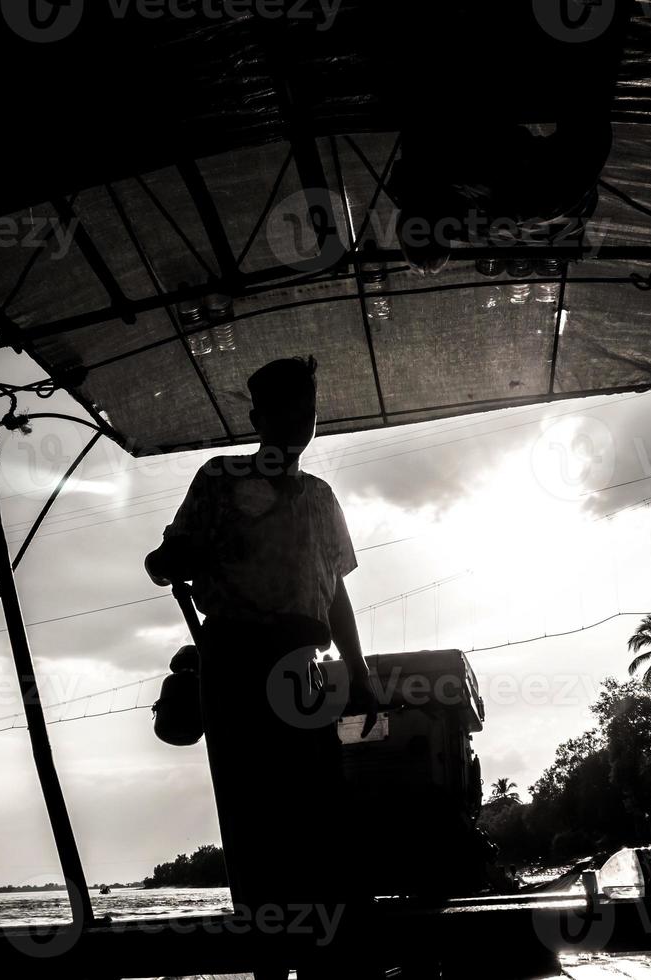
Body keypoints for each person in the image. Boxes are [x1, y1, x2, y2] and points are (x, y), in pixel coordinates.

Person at [145, 356, 377, 976]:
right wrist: (172, 557)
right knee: (254, 822)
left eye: (309, 408)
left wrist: (359, 673)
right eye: (288, 409)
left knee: (318, 816)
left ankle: (329, 961)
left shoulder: (321, 498)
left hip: (303, 664)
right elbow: (168, 558)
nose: (302, 420)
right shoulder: (218, 479)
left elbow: (337, 593)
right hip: (235, 664)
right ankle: (271, 965)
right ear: (258, 417)